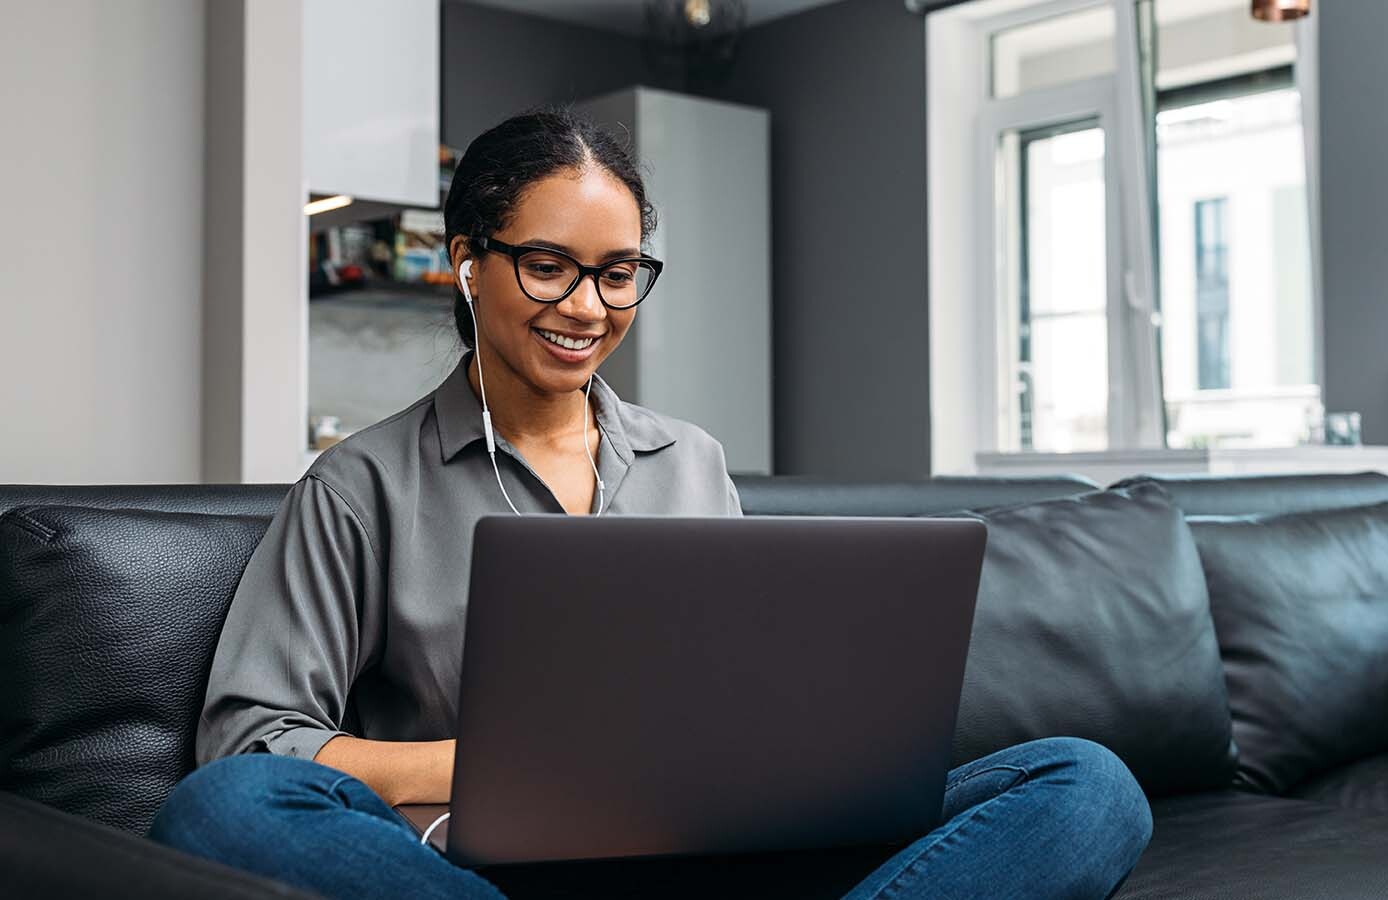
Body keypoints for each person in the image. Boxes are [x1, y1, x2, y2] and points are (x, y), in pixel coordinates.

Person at [149, 107, 1152, 899]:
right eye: (547, 265)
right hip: (475, 868)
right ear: (467, 261)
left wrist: (789, 754)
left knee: (1087, 787)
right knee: (230, 808)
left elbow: (742, 694)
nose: (586, 306)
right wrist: (496, 769)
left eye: (618, 274)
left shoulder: (691, 460)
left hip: (718, 849)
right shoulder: (361, 484)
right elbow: (250, 741)